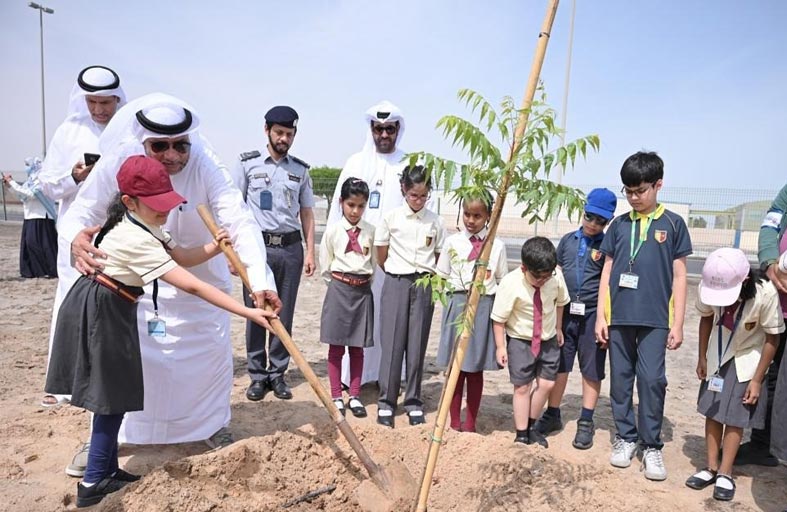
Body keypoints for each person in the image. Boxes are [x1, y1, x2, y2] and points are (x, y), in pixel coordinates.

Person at [46, 156, 277, 508]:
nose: (164, 213)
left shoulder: (146, 225)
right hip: (101, 309)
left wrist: (215, 247)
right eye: (156, 206)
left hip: (116, 304)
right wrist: (247, 310)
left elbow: (182, 257)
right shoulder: (132, 235)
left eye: (166, 204)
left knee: (116, 392)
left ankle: (106, 469)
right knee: (109, 398)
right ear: (129, 202)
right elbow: (192, 286)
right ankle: (92, 483)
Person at [60, 93, 281, 452]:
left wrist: (259, 282)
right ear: (142, 141)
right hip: (138, 288)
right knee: (126, 367)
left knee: (206, 364)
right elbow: (80, 213)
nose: (173, 155)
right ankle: (108, 443)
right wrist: (74, 240)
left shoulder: (207, 165)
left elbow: (239, 222)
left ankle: (212, 425)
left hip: (200, 277)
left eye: (181, 145)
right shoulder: (121, 161)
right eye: (160, 146)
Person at [595, 151, 692, 481]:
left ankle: (651, 444)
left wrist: (677, 323)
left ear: (658, 185)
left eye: (640, 190)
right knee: (620, 381)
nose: (634, 198)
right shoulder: (619, 225)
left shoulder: (674, 224)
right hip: (619, 316)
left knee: (652, 381)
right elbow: (607, 270)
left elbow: (680, 276)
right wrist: (600, 316)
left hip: (655, 320)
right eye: (628, 191)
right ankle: (625, 437)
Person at [37, 65, 126, 413]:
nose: (99, 109)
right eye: (93, 102)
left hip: (117, 230)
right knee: (71, 302)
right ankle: (61, 383)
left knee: (113, 302)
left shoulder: (127, 130)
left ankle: (103, 378)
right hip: (77, 232)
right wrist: (74, 176)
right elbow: (47, 183)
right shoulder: (68, 131)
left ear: (117, 99)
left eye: (105, 102)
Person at [685, 248, 782, 502]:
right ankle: (711, 468)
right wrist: (702, 356)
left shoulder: (765, 294)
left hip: (748, 358)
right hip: (719, 353)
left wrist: (757, 379)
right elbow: (706, 319)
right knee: (713, 411)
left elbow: (773, 337)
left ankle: (726, 473)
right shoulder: (710, 285)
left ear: (745, 282)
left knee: (736, 415)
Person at [233, 106, 315, 402]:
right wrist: (234, 255)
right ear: (266, 130)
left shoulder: (300, 170)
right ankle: (256, 375)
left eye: (289, 134)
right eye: (279, 132)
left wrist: (310, 252)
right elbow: (235, 210)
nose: (284, 139)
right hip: (256, 250)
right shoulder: (248, 165)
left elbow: (307, 212)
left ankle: (277, 374)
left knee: (284, 314)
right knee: (257, 313)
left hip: (291, 249)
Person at [327, 100, 409, 387]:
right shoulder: (356, 163)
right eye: (379, 129)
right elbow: (337, 215)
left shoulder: (409, 164)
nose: (384, 135)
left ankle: (387, 377)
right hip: (356, 261)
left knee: (389, 318)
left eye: (389, 129)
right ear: (371, 129)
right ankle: (353, 381)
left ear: (398, 129)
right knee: (357, 320)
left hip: (395, 260)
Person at [533, 188, 617, 449]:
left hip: (593, 315)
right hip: (566, 314)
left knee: (592, 369)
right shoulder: (568, 241)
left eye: (601, 221)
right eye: (590, 217)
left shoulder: (608, 246)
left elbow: (610, 284)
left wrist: (605, 319)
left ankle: (586, 420)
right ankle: (553, 413)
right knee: (561, 364)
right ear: (583, 212)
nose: (593, 224)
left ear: (608, 221)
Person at [374, 165, 445, 427]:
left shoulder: (435, 222)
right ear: (404, 189)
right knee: (392, 344)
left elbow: (438, 254)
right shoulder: (391, 218)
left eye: (423, 195)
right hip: (396, 281)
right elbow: (381, 253)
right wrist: (395, 273)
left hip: (424, 284)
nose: (418, 200)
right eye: (414, 195)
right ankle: (386, 401)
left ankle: (413, 400)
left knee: (416, 346)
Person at [435, 191, 507, 433]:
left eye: (477, 215)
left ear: (488, 216)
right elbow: (441, 276)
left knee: (474, 369)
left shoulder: (496, 245)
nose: (471, 220)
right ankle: (454, 421)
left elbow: (501, 279)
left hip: (484, 307)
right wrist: (451, 303)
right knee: (455, 367)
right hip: (457, 304)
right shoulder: (452, 243)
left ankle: (470, 423)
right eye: (467, 214)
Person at [492, 237, 570, 447]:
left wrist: (558, 327)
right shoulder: (511, 283)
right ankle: (521, 433)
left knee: (546, 384)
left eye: (547, 276)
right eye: (537, 277)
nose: (543, 280)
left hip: (548, 339)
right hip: (521, 340)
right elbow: (499, 319)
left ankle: (531, 425)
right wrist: (501, 346)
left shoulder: (556, 277)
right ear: (524, 267)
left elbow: (561, 303)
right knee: (522, 387)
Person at [319, 178, 376, 417]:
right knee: (336, 347)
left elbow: (373, 263)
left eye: (361, 206)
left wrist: (361, 283)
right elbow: (325, 264)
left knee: (357, 348)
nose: (355, 211)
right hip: (339, 290)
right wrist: (340, 285)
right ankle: (335, 395)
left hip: (362, 292)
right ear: (341, 202)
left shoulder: (371, 232)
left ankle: (354, 395)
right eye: (351, 204)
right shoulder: (332, 232)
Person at [743, 183, 787, 467]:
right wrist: (770, 261)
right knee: (770, 374)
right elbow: (771, 224)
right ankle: (763, 443)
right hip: (779, 301)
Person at [3, 157, 58, 278]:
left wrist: (12, 182)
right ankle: (33, 271)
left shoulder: (42, 180)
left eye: (28, 164)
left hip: (42, 217)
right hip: (30, 216)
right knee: (29, 245)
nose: (26, 167)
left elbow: (31, 194)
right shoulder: (30, 181)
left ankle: (49, 270)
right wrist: (10, 186)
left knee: (43, 246)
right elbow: (22, 195)